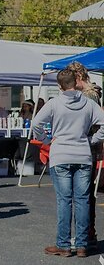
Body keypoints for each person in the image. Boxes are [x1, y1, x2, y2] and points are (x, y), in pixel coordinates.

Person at [32, 69, 104, 258]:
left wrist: (46, 140)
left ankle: (63, 244)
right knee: (82, 200)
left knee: (64, 200)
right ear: (75, 82)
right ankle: (81, 245)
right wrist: (92, 140)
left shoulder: (54, 103)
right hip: (82, 154)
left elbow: (35, 124)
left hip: (61, 154)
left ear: (59, 86)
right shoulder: (88, 103)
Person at [67, 61, 102, 251]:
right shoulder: (91, 94)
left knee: (83, 195)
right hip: (89, 149)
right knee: (85, 195)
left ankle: (85, 235)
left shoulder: (89, 96)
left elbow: (87, 123)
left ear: (78, 77)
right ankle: (87, 233)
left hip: (86, 150)